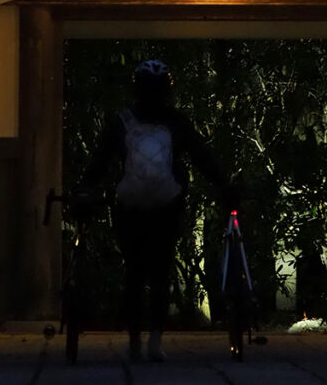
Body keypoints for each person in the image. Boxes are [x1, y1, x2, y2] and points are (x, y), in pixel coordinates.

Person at [77, 59, 230, 363]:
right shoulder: (176, 122)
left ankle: (134, 340)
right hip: (166, 206)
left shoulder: (122, 122)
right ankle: (155, 341)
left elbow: (100, 162)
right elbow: (202, 157)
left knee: (134, 272)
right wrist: (224, 185)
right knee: (161, 272)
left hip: (129, 207)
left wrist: (84, 189)